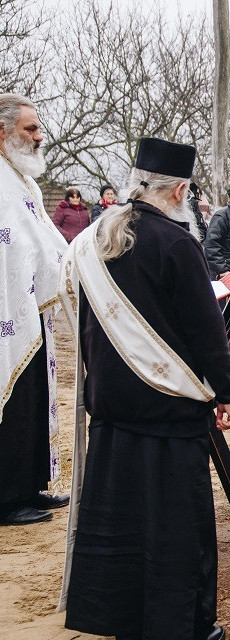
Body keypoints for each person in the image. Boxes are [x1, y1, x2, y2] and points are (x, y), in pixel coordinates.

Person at [59, 137, 230, 640]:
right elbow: (205, 329)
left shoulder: (94, 239)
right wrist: (225, 392)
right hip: (169, 409)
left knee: (122, 521)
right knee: (172, 525)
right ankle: (174, 636)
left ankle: (128, 632)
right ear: (180, 190)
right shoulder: (176, 242)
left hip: (113, 408)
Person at [0, 92, 70, 526]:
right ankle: (7, 498)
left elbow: (43, 239)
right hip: (10, 310)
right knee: (15, 399)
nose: (39, 137)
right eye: (30, 129)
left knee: (33, 398)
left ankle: (30, 485)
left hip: (31, 306)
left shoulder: (20, 177)